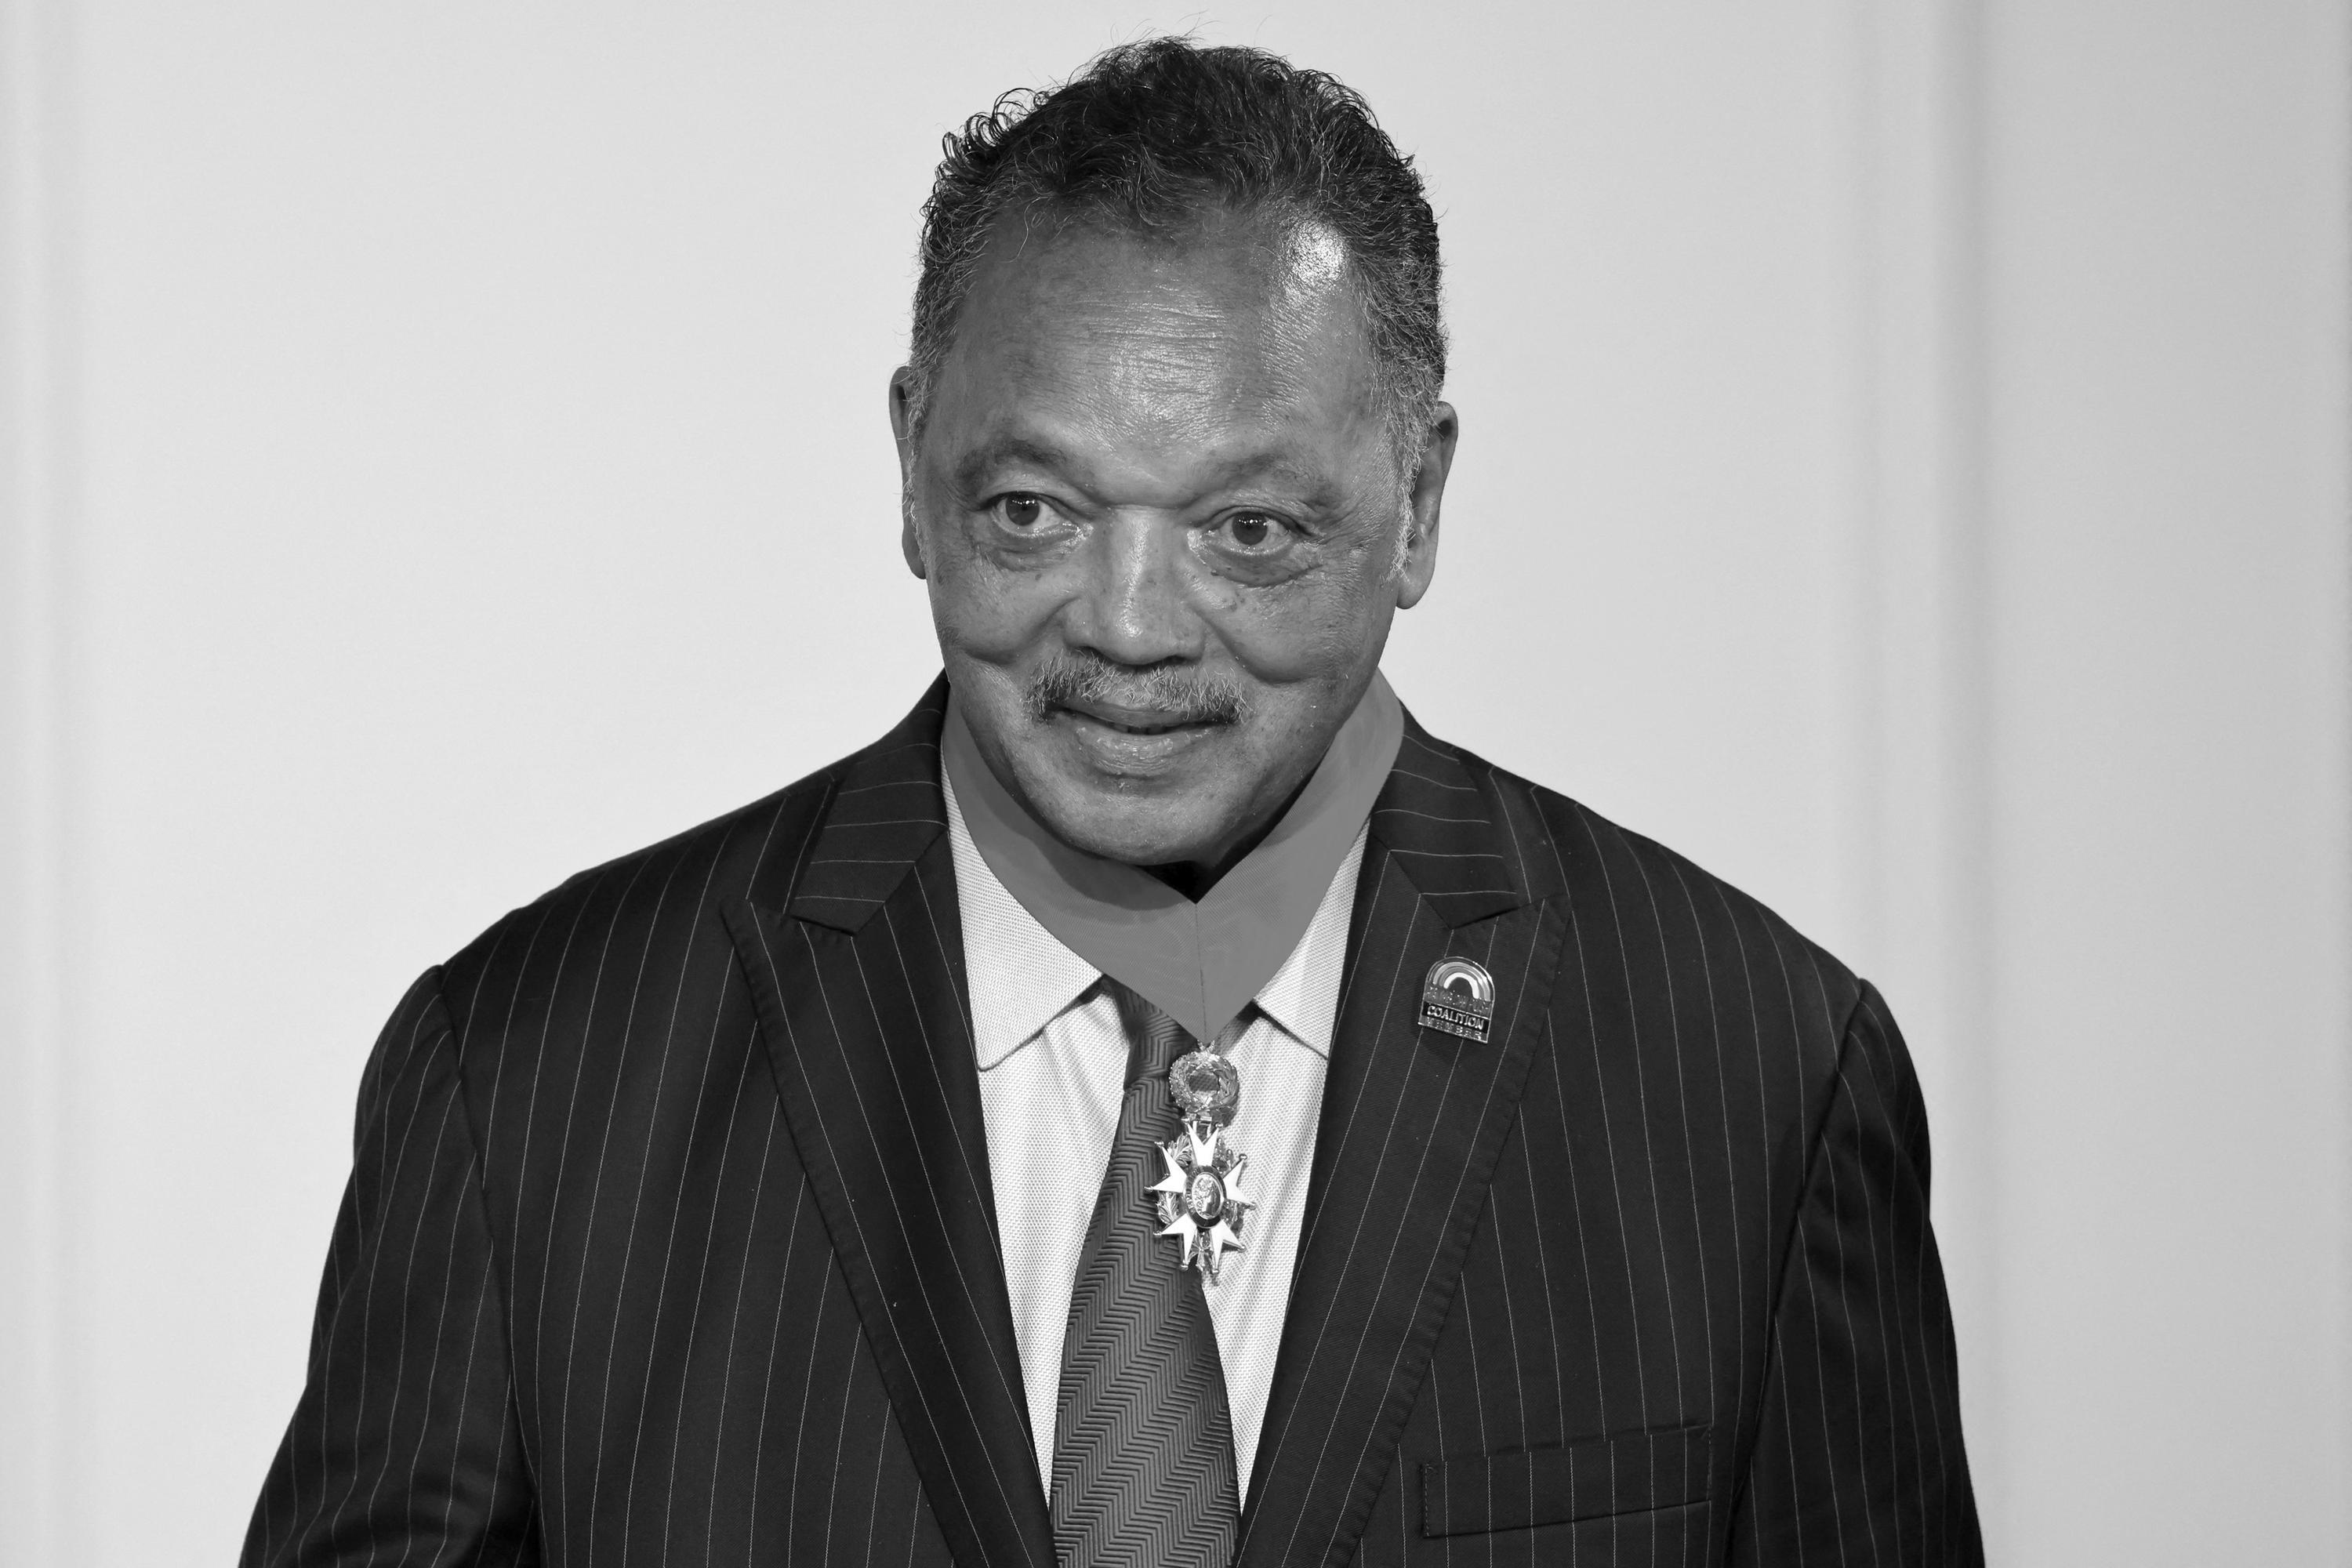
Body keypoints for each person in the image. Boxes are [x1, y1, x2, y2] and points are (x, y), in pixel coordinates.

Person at [241, 38, 1979, 1568]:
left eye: (1250, 529)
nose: (1132, 629)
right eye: (1034, 511)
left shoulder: (1756, 1078)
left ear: (1421, 500)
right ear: (912, 466)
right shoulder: (530, 1080)